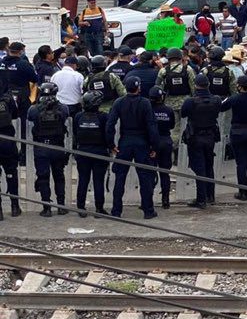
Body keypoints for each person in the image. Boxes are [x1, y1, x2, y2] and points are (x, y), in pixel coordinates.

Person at [105, 76, 159, 219]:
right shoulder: (145, 103)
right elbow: (151, 126)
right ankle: (148, 210)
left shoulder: (119, 102)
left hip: (125, 143)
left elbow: (110, 125)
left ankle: (116, 210)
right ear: (139, 87)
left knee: (120, 178)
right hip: (142, 143)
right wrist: (154, 146)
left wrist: (111, 144)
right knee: (145, 178)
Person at [180, 75, 222, 209]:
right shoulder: (216, 100)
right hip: (210, 136)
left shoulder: (190, 101)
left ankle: (201, 199)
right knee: (209, 166)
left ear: (195, 85)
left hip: (195, 137)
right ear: (208, 84)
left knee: (199, 168)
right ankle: (210, 195)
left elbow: (183, 114)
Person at [27, 82, 68, 216]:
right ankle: (61, 206)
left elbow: (30, 118)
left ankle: (47, 208)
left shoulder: (34, 109)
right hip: (57, 147)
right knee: (59, 176)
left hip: (41, 148)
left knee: (43, 177)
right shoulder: (63, 108)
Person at [221, 75, 247, 202]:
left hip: (237, 131)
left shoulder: (234, 98)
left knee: (240, 163)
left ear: (239, 86)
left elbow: (222, 107)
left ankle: (242, 191)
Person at [72, 90, 110, 217]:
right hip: (99, 152)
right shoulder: (103, 117)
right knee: (98, 181)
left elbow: (75, 134)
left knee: (83, 179)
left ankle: (81, 208)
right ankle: (99, 209)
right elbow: (108, 134)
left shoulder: (78, 116)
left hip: (82, 151)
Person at [156, 47, 195, 148]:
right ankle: (184, 150)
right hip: (186, 103)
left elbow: (158, 88)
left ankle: (174, 149)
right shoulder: (188, 69)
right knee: (187, 127)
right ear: (180, 57)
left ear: (168, 58)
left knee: (174, 129)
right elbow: (194, 88)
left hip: (170, 104)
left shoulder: (163, 71)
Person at [148, 87, 175, 209]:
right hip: (165, 141)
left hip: (152, 143)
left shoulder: (148, 110)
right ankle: (166, 200)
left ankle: (148, 199)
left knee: (150, 173)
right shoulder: (168, 110)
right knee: (165, 173)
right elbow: (172, 125)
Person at [0, 81, 19, 218]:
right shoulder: (8, 99)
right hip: (7, 140)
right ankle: (14, 206)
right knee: (11, 173)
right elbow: (15, 115)